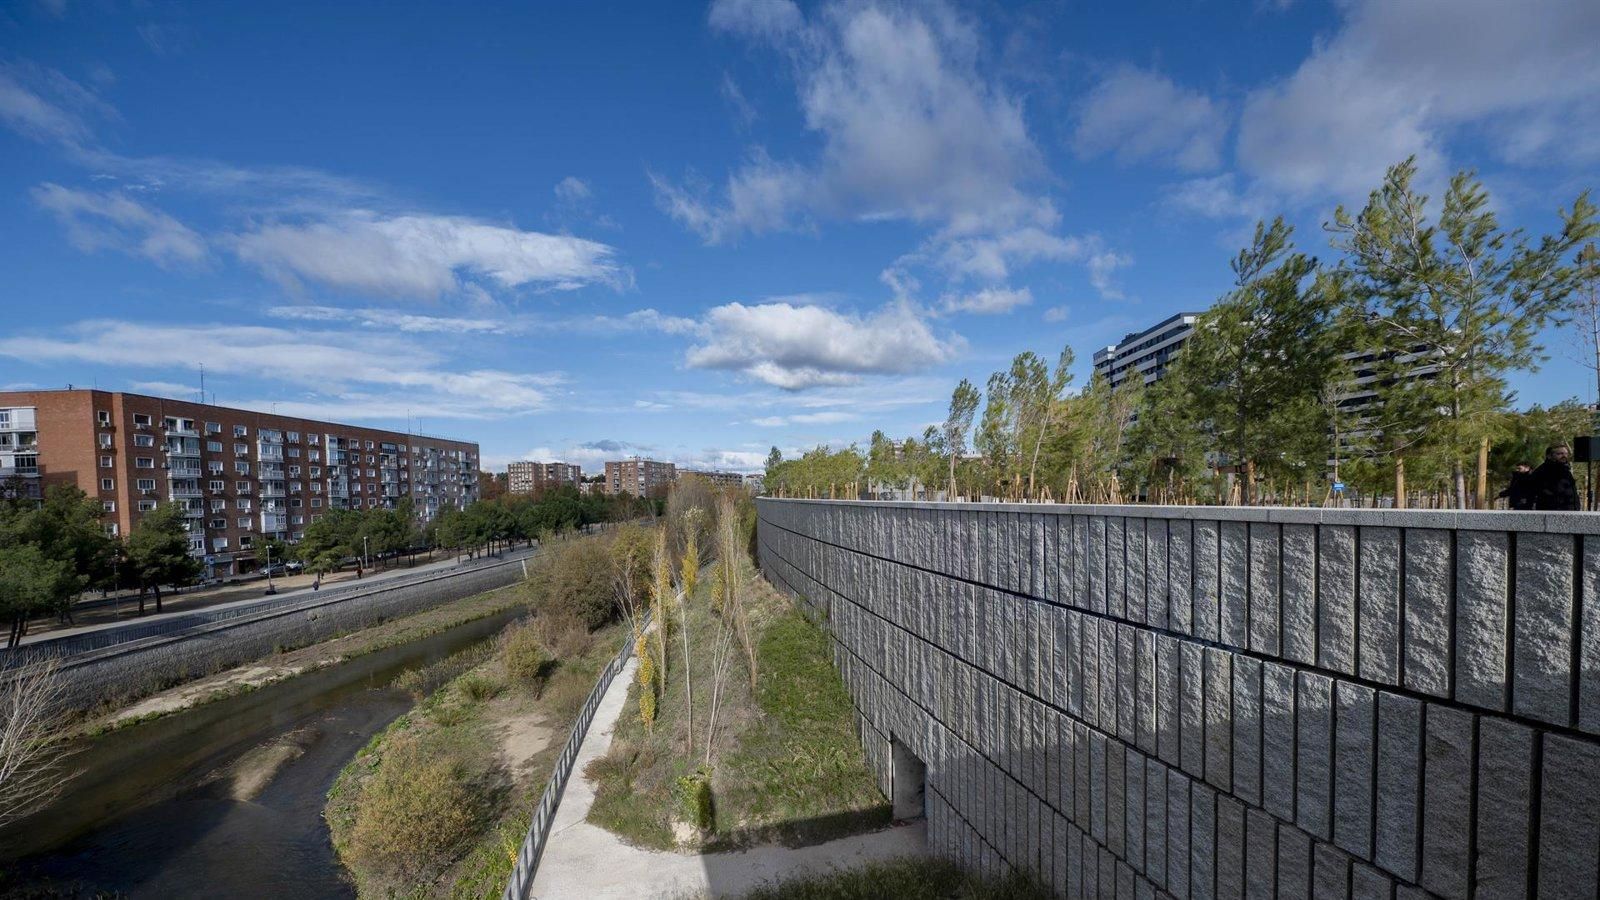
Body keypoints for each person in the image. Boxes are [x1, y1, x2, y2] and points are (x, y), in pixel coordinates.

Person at [1530, 443, 1579, 511]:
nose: (1564, 456)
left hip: (1571, 512)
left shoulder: (1566, 471)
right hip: (1552, 513)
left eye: (1566, 453)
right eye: (1560, 454)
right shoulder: (1542, 472)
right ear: (1549, 456)